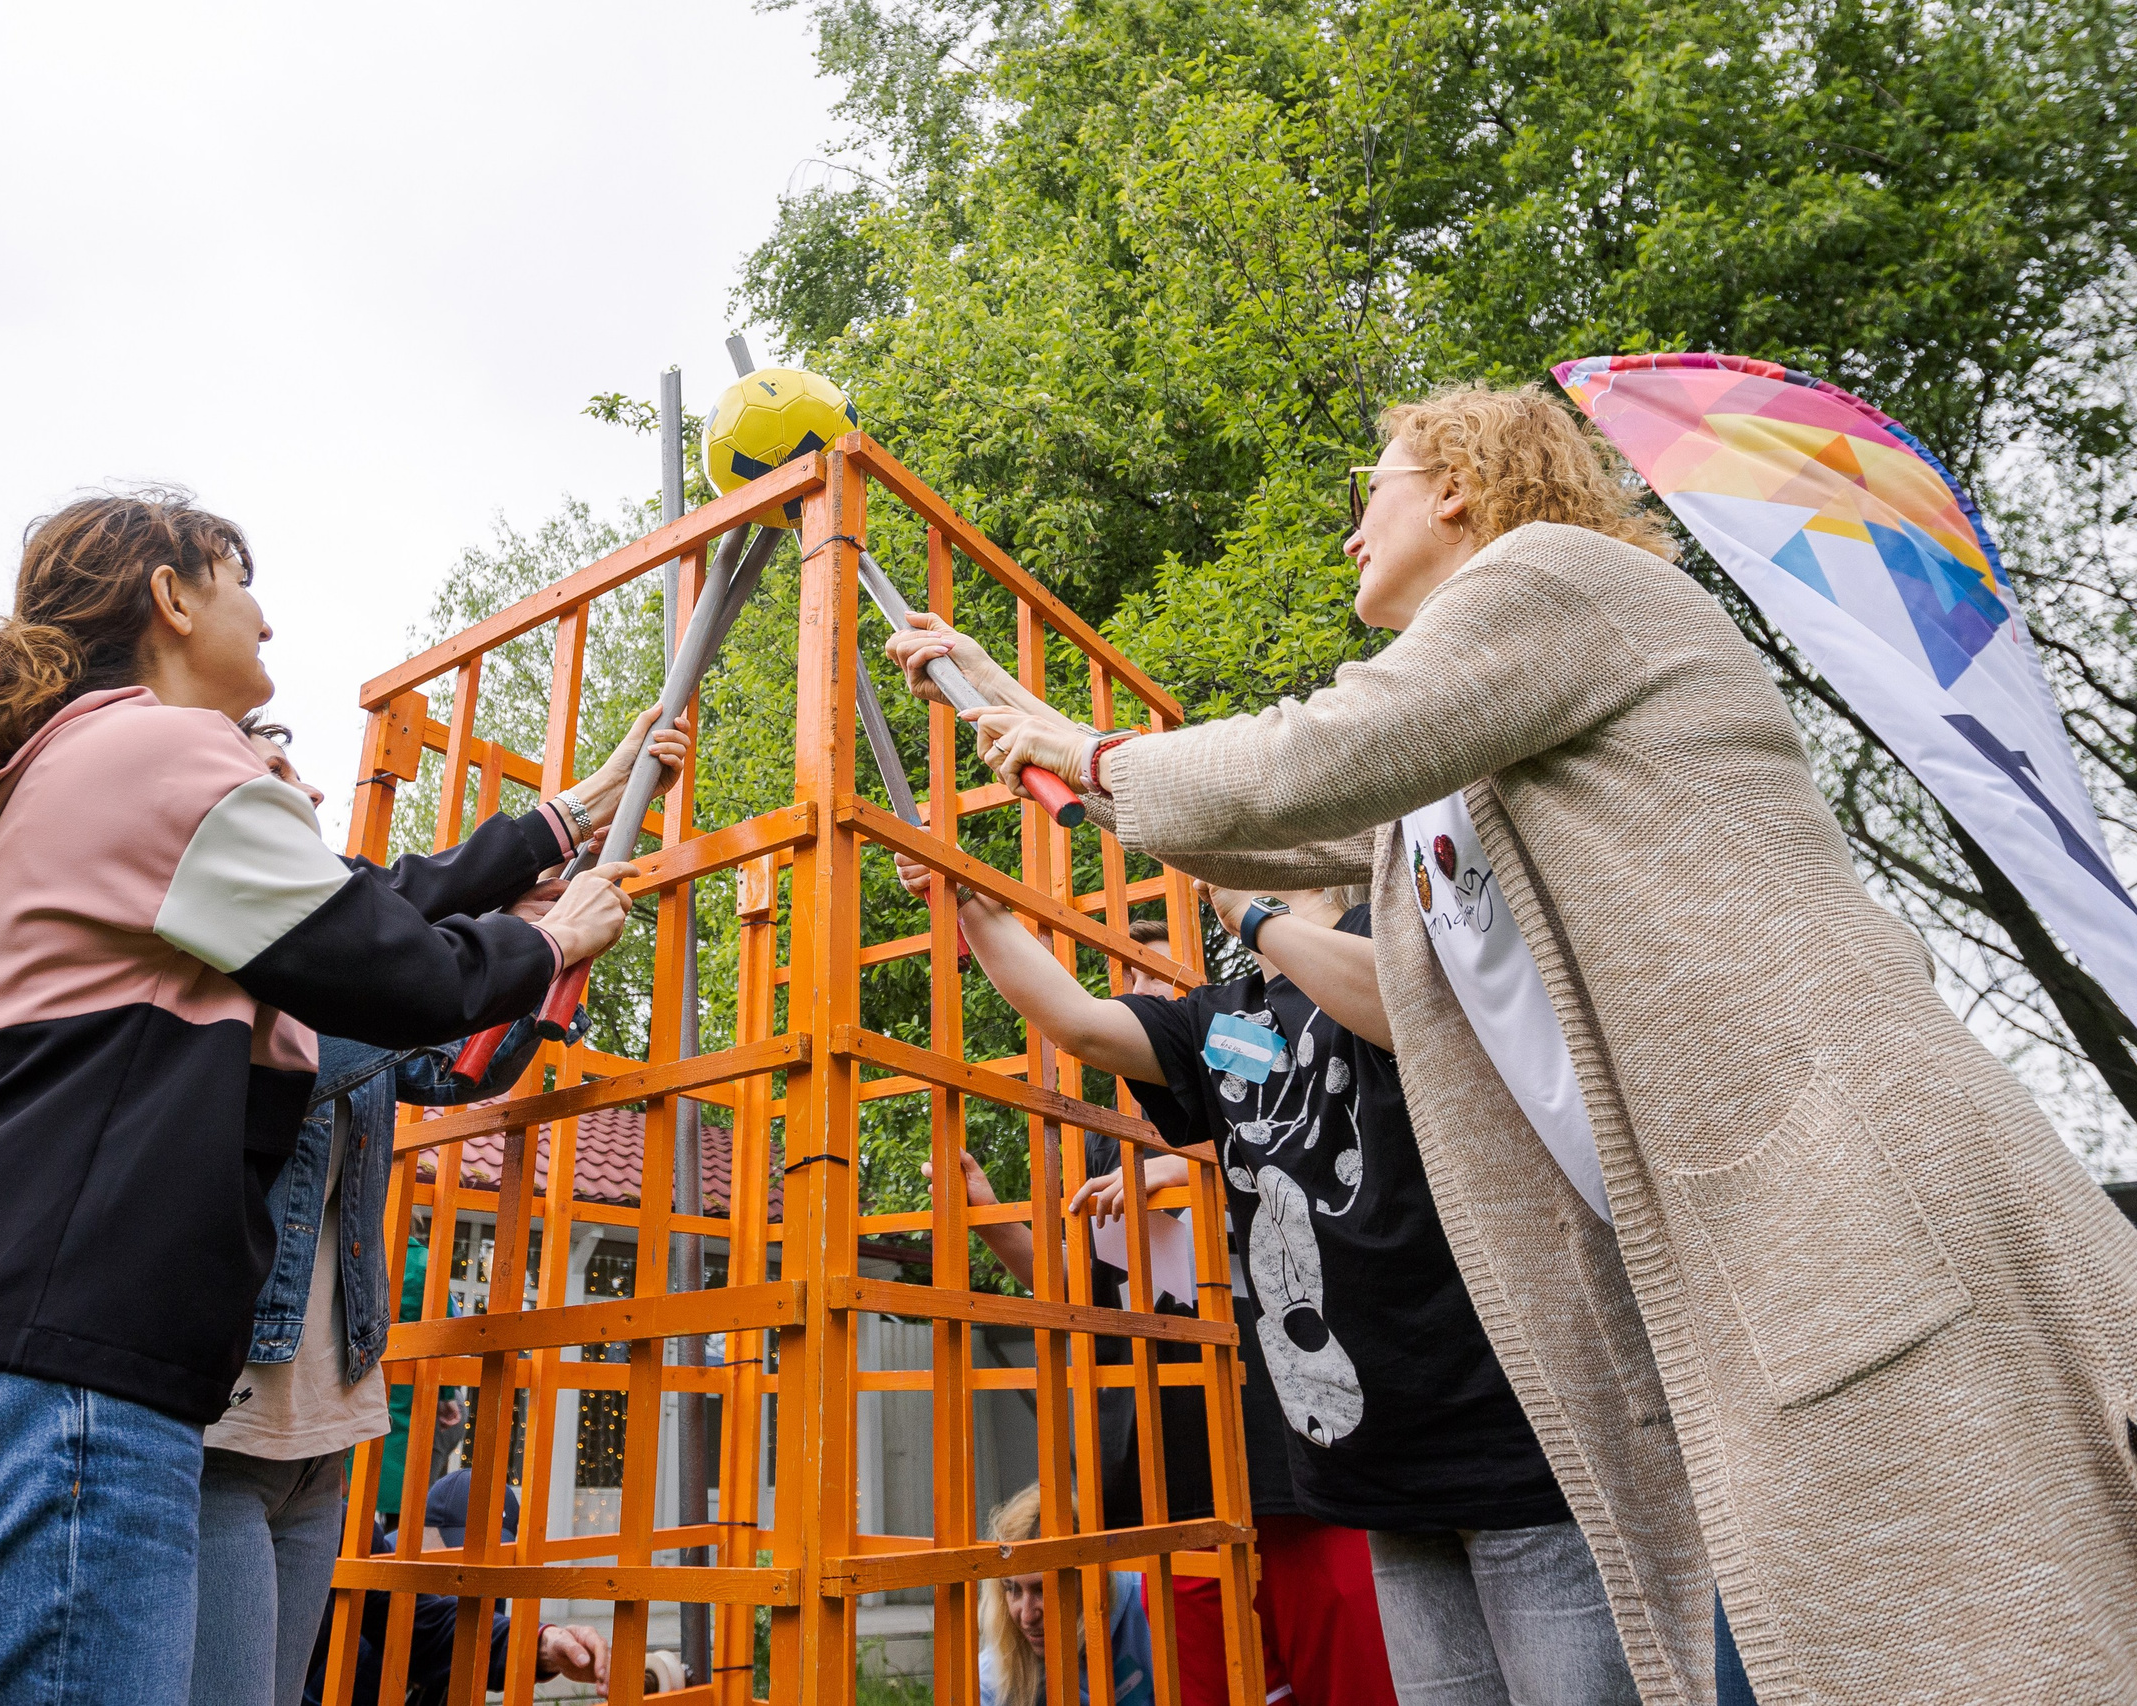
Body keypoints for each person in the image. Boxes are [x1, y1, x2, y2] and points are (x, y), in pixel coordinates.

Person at [892, 384, 2137, 1701]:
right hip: (1713, 1264)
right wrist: (997, 693)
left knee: (1980, 1626)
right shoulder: (1462, 767)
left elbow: (1300, 761)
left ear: (1458, 486)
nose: (1348, 535)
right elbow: (1245, 818)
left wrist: (1081, 752)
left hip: (1834, 1203)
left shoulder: (1553, 580)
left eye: (1369, 490)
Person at [0, 490, 677, 1705]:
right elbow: (391, 960)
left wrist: (564, 815)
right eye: (239, 579)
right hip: (57, 1372)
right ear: (173, 597)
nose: (266, 618)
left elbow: (369, 893)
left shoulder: (57, 779)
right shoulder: (162, 751)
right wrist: (550, 944)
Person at [908, 857, 1627, 1703]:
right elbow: (1081, 1023)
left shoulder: (1394, 938)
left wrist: (1254, 916)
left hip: (1509, 1435)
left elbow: (1406, 1004)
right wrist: (969, 902)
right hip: (1370, 1465)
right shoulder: (1228, 1021)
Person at [189, 725, 580, 1706]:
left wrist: (540, 957)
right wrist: (514, 942)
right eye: (281, 778)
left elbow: (453, 1063)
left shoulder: (344, 983)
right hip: (226, 1420)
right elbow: (357, 1028)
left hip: (321, 1423)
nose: (312, 793)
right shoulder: (226, 959)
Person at [304, 1470, 621, 1703]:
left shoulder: (346, 1536)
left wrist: (544, 1643)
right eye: (463, 1550)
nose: (475, 1573)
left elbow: (438, 1631)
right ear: (423, 1532)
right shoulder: (366, 1576)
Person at [980, 1481, 1153, 1706]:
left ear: (1087, 1577)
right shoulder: (994, 1676)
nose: (1026, 1617)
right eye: (1012, 1589)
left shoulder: (1149, 1606)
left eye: (1042, 1590)